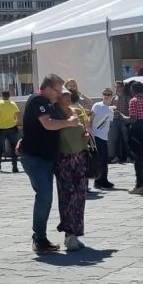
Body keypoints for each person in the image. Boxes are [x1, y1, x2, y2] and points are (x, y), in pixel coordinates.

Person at [19, 76, 82, 254]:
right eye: (57, 90)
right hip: (35, 157)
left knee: (46, 197)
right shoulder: (39, 100)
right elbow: (47, 124)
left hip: (44, 157)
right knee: (44, 196)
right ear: (47, 88)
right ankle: (38, 239)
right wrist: (69, 123)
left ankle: (41, 238)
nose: (59, 94)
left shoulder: (46, 102)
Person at [53, 89, 92, 252]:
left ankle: (75, 232)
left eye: (69, 94)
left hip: (80, 156)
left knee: (80, 195)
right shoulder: (54, 114)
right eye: (64, 94)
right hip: (63, 158)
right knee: (67, 196)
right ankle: (69, 234)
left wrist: (86, 135)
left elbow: (85, 129)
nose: (68, 97)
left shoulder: (76, 110)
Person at [90, 89, 117, 190]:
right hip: (96, 135)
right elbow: (91, 119)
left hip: (104, 137)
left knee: (104, 159)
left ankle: (104, 180)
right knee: (99, 159)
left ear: (111, 96)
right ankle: (98, 181)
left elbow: (107, 123)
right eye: (104, 94)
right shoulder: (97, 105)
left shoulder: (110, 109)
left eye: (108, 94)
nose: (106, 96)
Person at [0, 88, 20, 172]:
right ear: (9, 96)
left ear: (1, 95)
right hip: (12, 127)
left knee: (0, 146)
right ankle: (14, 166)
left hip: (1, 128)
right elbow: (18, 115)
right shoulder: (13, 104)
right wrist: (15, 121)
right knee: (13, 147)